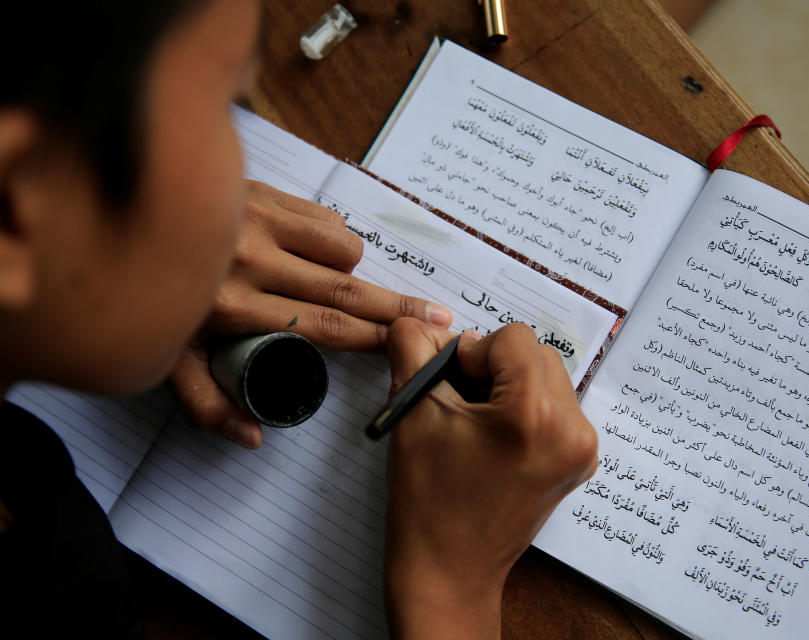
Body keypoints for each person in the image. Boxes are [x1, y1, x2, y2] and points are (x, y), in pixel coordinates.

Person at [0, 2, 597, 638]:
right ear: (20, 199)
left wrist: (97, 259)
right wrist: (449, 594)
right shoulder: (56, 587)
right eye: (221, 110)